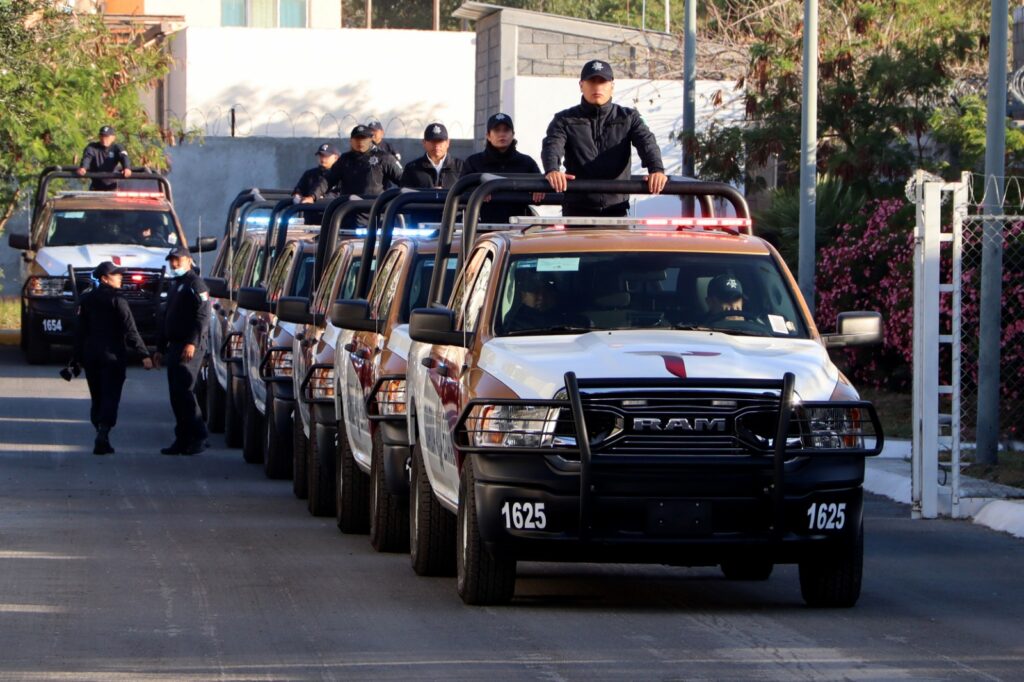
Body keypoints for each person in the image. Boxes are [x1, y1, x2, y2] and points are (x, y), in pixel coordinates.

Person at [541, 60, 667, 217]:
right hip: (576, 212)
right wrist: (552, 170)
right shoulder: (564, 119)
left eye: (602, 81)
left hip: (617, 210)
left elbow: (646, 141)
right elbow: (552, 145)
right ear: (581, 85)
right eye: (592, 81)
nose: (597, 87)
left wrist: (656, 170)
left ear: (612, 85)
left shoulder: (629, 117)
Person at [73, 261, 154, 455]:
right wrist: (144, 354)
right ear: (104, 279)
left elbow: (79, 332)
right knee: (111, 394)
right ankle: (104, 431)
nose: (120, 278)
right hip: (113, 356)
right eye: (116, 275)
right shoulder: (118, 300)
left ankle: (100, 431)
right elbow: (130, 329)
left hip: (91, 355)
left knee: (97, 395)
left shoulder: (86, 300)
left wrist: (75, 358)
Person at [154, 246, 212, 455]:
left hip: (189, 346)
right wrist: (160, 347)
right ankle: (182, 438)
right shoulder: (176, 284)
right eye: (171, 260)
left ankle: (198, 436)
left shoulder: (195, 284)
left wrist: (192, 342)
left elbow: (203, 316)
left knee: (185, 391)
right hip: (174, 345)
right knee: (176, 394)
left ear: (188, 260)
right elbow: (166, 317)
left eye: (177, 260)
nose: (174, 264)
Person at [460, 113, 543, 223]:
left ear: (513, 134)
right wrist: (477, 190)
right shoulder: (473, 162)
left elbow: (541, 188)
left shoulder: (526, 162)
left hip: (518, 231)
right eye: (497, 130)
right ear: (488, 136)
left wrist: (539, 189)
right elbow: (462, 188)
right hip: (481, 229)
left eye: (506, 130)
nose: (502, 134)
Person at [320, 125, 402, 199]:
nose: (360, 142)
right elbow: (327, 181)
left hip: (375, 211)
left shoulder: (384, 158)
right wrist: (312, 196)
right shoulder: (344, 159)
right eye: (357, 139)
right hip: (348, 211)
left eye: (364, 138)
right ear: (351, 141)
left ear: (370, 139)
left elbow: (403, 180)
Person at [401, 123, 464, 190]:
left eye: (440, 141)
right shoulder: (412, 169)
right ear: (424, 143)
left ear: (448, 143)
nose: (436, 145)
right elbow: (406, 196)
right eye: (432, 141)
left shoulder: (461, 167)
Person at [76, 125, 132, 191]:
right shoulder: (92, 147)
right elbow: (87, 158)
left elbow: (124, 157)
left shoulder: (117, 148)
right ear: (99, 137)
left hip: (112, 188)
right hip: (95, 188)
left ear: (113, 138)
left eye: (107, 137)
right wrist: (83, 168)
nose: (104, 139)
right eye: (102, 136)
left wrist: (127, 168)